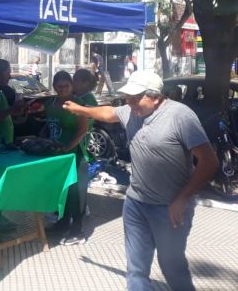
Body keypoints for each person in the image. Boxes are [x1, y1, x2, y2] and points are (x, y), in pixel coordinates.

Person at [63, 70, 219, 291]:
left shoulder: (180, 116)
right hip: (136, 204)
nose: (130, 103)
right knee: (136, 269)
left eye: (136, 98)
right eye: (128, 98)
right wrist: (81, 110)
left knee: (171, 267)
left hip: (170, 208)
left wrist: (183, 199)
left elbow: (209, 162)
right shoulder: (132, 111)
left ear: (155, 97)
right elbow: (109, 113)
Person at [43, 71, 89, 245]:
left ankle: (77, 230)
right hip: (55, 154)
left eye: (66, 86)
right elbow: (48, 126)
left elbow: (82, 130)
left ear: (72, 86)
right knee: (61, 191)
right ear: (54, 86)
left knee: (74, 192)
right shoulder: (50, 103)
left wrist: (67, 148)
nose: (62, 89)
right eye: (59, 86)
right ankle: (62, 224)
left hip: (73, 154)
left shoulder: (79, 104)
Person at [72, 68, 98, 214]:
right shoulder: (78, 97)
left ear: (85, 83)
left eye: (75, 80)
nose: (73, 83)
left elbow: (85, 120)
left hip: (82, 142)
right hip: (78, 140)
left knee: (80, 177)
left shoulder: (89, 99)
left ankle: (81, 208)